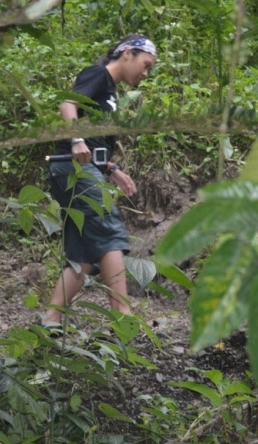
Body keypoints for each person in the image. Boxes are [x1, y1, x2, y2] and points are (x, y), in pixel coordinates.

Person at [42, 34, 157, 329]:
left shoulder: (110, 95)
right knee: (108, 230)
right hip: (72, 169)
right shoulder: (97, 74)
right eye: (145, 65)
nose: (145, 74)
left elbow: (94, 147)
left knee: (83, 257)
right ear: (127, 54)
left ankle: (50, 322)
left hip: (77, 169)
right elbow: (68, 105)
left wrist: (113, 170)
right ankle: (123, 317)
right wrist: (76, 138)